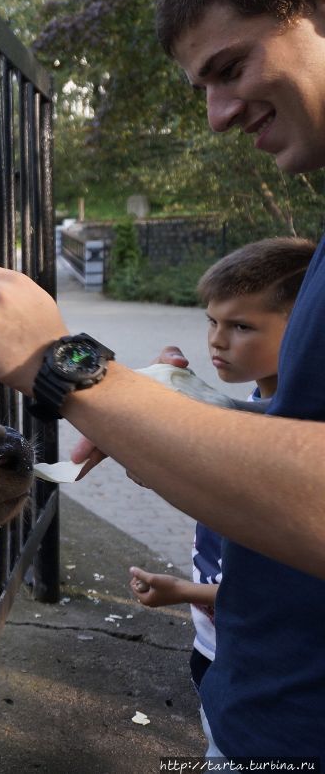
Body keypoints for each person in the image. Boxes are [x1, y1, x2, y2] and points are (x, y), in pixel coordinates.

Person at [0, 0, 325, 760]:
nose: (219, 116)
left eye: (230, 68)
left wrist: (65, 367)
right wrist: (163, 407)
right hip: (262, 703)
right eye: (202, 89)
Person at [126, 238, 315, 702]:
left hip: (262, 658)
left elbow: (288, 578)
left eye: (242, 326)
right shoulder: (249, 407)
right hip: (214, 641)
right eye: (212, 321)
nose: (216, 340)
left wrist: (186, 592)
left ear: (308, 329)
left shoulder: (297, 433)